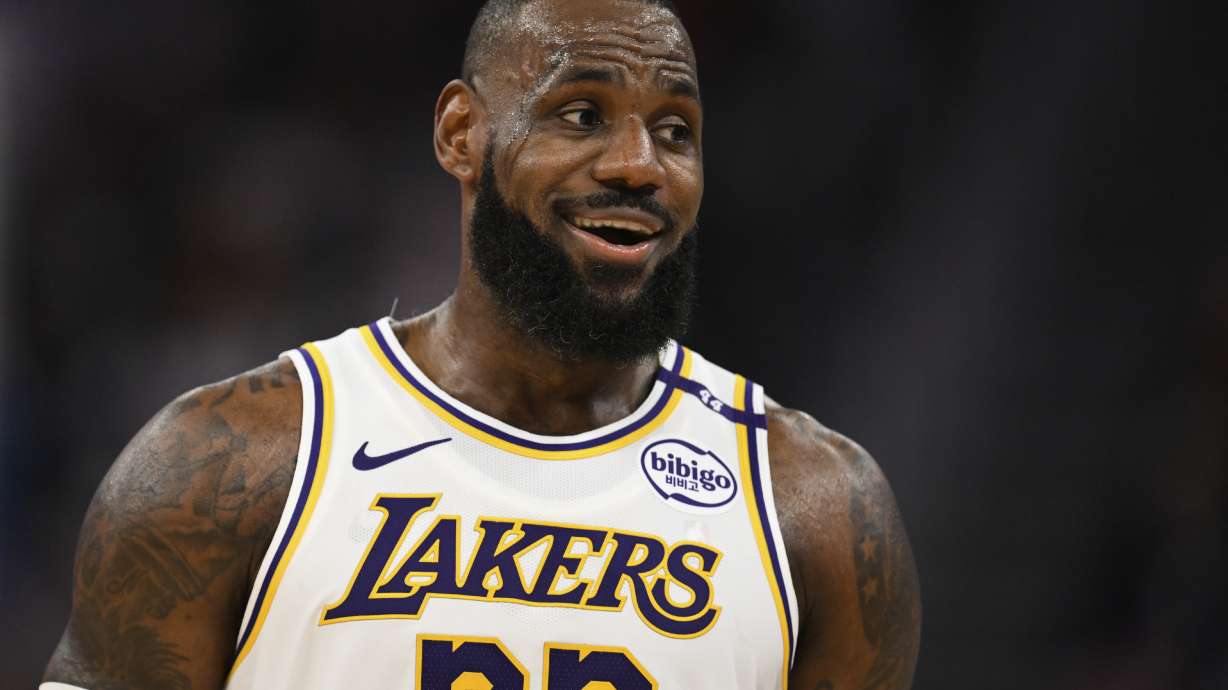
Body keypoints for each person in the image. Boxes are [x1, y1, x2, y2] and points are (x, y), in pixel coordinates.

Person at [42, 0, 920, 687]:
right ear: (461, 134)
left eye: (676, 129)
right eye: (581, 114)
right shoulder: (229, 466)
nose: (639, 164)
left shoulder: (816, 510)